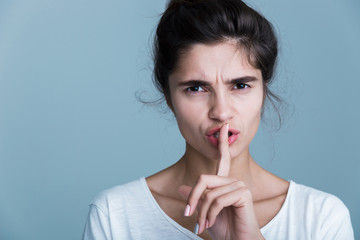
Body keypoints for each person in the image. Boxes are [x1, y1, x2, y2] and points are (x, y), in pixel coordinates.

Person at [82, 0, 354, 239]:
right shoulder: (115, 216)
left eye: (240, 85)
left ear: (263, 89)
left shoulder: (321, 219)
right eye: (196, 88)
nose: (221, 112)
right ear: (168, 96)